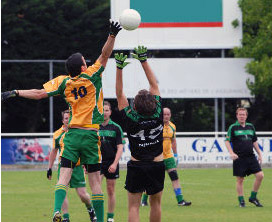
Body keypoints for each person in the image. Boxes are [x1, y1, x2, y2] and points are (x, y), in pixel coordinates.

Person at [1, 20, 122, 222]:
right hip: (91, 135)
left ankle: (57, 210)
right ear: (83, 66)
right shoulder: (92, 75)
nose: (87, 61)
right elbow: (105, 55)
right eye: (85, 60)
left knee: (64, 176)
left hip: (72, 135)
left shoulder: (63, 81)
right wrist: (111, 35)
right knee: (95, 182)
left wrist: (15, 92)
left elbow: (39, 93)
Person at [115, 46, 165, 222]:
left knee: (134, 207)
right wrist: (143, 59)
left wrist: (119, 68)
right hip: (157, 165)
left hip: (137, 166)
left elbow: (120, 94)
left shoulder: (131, 117)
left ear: (134, 106)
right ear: (152, 103)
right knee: (156, 204)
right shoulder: (158, 113)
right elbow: (154, 85)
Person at [47, 110, 96, 222]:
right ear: (62, 120)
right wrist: (49, 168)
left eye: (70, 118)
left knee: (83, 195)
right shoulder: (58, 134)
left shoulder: (79, 131)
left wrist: (85, 163)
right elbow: (54, 151)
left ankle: (90, 209)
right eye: (65, 118)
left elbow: (83, 148)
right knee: (62, 191)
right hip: (63, 165)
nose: (68, 120)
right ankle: (65, 217)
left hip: (77, 167)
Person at [141, 107, 191, 207]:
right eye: (164, 114)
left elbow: (173, 141)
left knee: (175, 177)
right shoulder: (155, 126)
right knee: (151, 180)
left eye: (168, 114)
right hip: (157, 158)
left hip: (169, 157)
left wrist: (176, 155)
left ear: (170, 115)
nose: (166, 116)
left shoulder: (172, 127)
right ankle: (144, 200)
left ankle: (180, 200)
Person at [225, 107, 264, 207]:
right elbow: (227, 141)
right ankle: (241, 201)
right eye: (240, 114)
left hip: (251, 156)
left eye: (243, 114)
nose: (242, 116)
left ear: (246, 116)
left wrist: (259, 154)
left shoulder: (251, 127)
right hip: (239, 157)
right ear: (237, 115)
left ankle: (253, 197)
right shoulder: (233, 127)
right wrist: (231, 153)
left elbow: (254, 141)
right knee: (240, 180)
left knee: (260, 175)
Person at [99, 101, 125, 222]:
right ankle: (97, 217)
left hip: (111, 162)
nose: (104, 113)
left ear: (110, 112)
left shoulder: (116, 127)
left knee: (110, 190)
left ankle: (110, 217)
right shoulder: (94, 126)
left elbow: (120, 147)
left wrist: (115, 163)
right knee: (97, 190)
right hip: (97, 162)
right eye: (102, 110)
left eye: (107, 110)